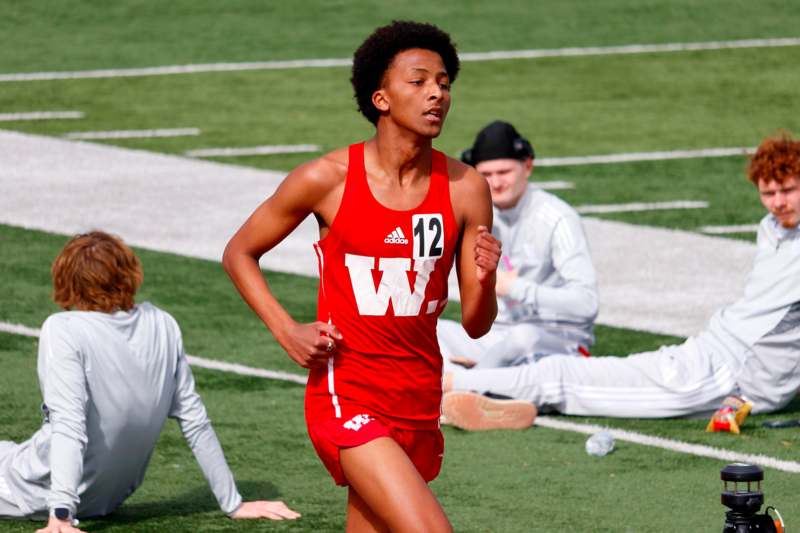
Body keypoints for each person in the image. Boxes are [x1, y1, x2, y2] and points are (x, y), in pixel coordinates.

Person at [223, 20, 501, 533]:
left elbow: (479, 324)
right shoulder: (325, 180)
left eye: (443, 83)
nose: (436, 93)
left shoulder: (466, 189)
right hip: (346, 394)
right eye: (418, 82)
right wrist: (287, 329)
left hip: (418, 398)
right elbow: (239, 252)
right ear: (381, 98)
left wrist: (484, 277)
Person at [442, 132, 800, 429]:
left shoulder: (554, 216)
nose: (778, 204)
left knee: (562, 376)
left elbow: (585, 304)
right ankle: (470, 387)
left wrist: (757, 392)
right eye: (769, 194)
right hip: (710, 352)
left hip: (727, 374)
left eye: (788, 191)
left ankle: (454, 385)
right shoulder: (770, 229)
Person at [0, 232, 299, 533]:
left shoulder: (63, 329)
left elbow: (69, 425)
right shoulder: (162, 324)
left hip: (32, 490)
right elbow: (195, 421)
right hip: (107, 499)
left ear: (66, 279)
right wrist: (233, 503)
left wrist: (61, 516)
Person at [438, 120, 598, 372]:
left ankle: (468, 381)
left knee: (522, 337)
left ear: (528, 166)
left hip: (558, 340)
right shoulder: (477, 214)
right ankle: (483, 381)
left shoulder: (558, 217)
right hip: (497, 337)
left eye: (504, 172)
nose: (496, 182)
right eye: (486, 175)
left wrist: (515, 287)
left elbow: (586, 304)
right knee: (431, 330)